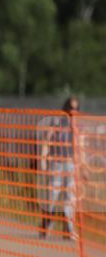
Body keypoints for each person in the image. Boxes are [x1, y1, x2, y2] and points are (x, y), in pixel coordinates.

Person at [38, 97, 79, 241]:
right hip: (56, 163)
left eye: (75, 108)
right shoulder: (57, 122)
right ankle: (46, 226)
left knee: (70, 200)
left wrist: (82, 166)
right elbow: (47, 141)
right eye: (71, 108)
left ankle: (68, 230)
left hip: (70, 164)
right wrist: (43, 159)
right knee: (52, 198)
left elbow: (80, 146)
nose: (73, 111)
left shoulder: (76, 126)